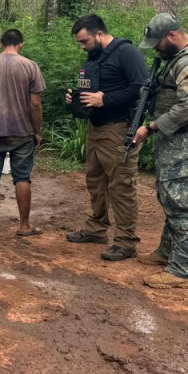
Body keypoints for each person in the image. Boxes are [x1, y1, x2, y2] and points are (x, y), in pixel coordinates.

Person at [131, 13, 188, 289]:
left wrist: (152, 127)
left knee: (181, 199)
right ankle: (167, 251)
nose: (155, 48)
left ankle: (182, 269)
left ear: (172, 36)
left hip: (186, 136)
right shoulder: (179, 59)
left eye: (157, 43)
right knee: (169, 194)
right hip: (176, 136)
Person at [64, 14, 149, 261]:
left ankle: (126, 241)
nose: (82, 46)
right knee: (95, 180)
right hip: (96, 127)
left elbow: (141, 87)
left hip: (119, 128)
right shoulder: (96, 57)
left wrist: (106, 99)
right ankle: (96, 228)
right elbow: (94, 87)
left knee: (121, 185)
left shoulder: (127, 53)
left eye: (84, 41)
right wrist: (75, 96)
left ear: (99, 34)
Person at [0, 29, 46, 236]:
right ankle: (24, 226)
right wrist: (36, 131)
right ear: (21, 44)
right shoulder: (30, 66)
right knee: (22, 177)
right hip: (22, 132)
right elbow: (35, 104)